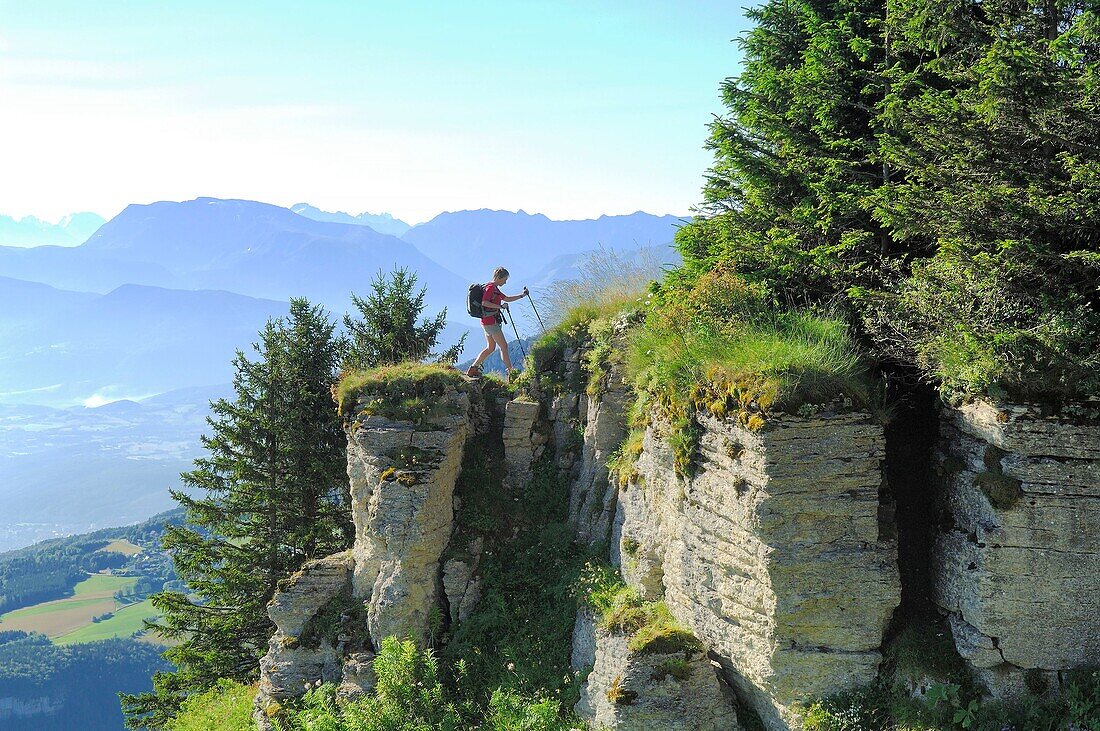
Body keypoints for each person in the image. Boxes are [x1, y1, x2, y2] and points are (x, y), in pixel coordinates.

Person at [466, 266, 528, 381]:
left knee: (490, 347)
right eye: (505, 279)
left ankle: (473, 368)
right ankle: (511, 373)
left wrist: (522, 295)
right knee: (503, 346)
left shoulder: (494, 288)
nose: (505, 282)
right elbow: (485, 302)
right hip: (491, 323)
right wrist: (500, 306)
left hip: (486, 322)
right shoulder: (490, 288)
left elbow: (507, 298)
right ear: (500, 277)